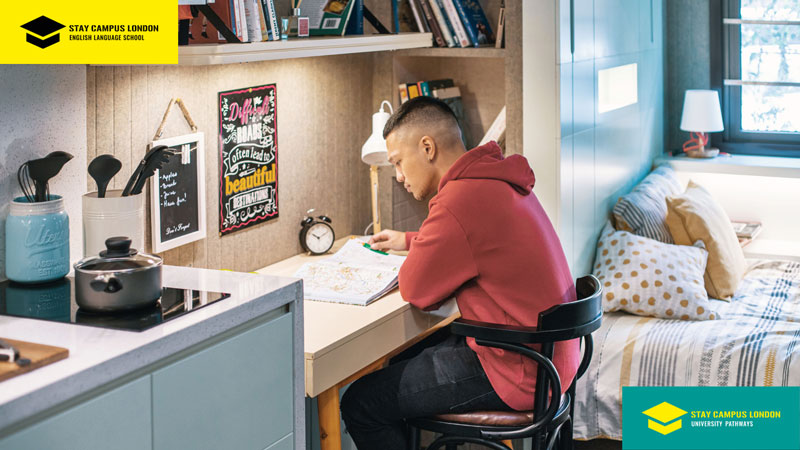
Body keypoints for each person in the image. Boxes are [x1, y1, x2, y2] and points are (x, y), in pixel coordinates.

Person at [340, 96, 579, 449]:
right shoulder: (493, 181)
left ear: (427, 148)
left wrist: (421, 248)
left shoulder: (457, 200)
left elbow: (416, 290)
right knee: (402, 360)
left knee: (362, 402)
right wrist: (411, 239)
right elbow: (478, 239)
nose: (401, 177)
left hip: (518, 369)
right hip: (551, 358)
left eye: (399, 163)